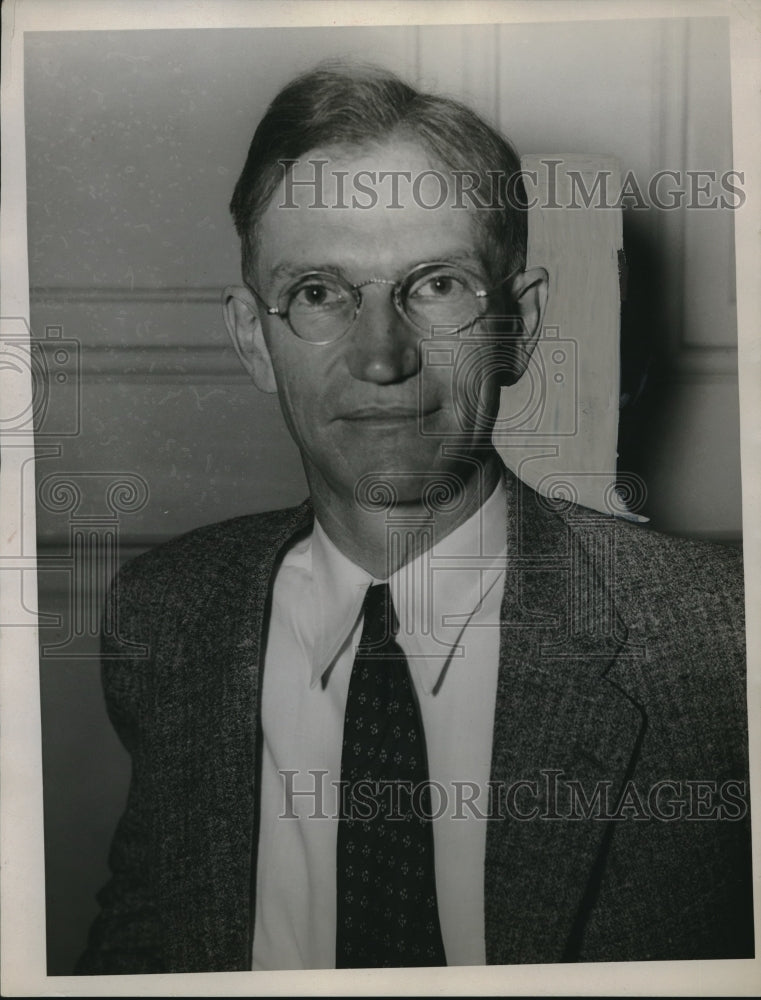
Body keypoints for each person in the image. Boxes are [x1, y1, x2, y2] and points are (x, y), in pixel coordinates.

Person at [76, 63, 753, 974]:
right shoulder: (166, 615)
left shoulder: (720, 641)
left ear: (519, 324)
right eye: (319, 292)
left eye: (434, 286)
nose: (382, 356)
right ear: (253, 340)